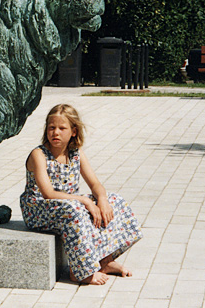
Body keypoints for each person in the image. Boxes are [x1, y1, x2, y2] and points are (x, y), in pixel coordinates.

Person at [20, 104, 142, 285]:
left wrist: (101, 199)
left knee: (114, 200)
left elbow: (95, 184)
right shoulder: (39, 155)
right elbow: (48, 193)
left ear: (74, 131)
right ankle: (80, 271)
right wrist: (85, 201)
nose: (56, 133)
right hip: (39, 209)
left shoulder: (76, 153)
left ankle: (104, 261)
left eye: (62, 128)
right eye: (51, 128)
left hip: (68, 203)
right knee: (76, 210)